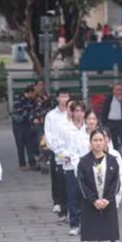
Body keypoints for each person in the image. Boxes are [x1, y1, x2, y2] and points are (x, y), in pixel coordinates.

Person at [77, 128, 120, 242]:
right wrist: (93, 200)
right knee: (92, 237)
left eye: (101, 140)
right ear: (90, 143)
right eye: (95, 140)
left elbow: (116, 182)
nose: (98, 143)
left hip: (108, 204)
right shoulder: (84, 162)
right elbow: (81, 183)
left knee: (107, 236)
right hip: (90, 205)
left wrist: (107, 199)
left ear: (105, 142)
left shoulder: (112, 160)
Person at [56, 101, 88, 237]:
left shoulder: (87, 128)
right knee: (73, 195)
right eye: (77, 111)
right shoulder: (65, 128)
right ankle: (74, 224)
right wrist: (67, 156)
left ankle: (86, 223)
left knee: (86, 196)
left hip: (86, 166)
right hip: (70, 166)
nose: (79, 114)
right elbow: (60, 146)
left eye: (81, 111)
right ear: (72, 113)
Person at [43, 88, 72, 219]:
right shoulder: (51, 115)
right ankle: (58, 202)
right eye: (62, 96)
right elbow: (49, 135)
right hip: (56, 151)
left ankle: (70, 204)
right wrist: (57, 150)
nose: (64, 99)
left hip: (71, 151)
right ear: (57, 98)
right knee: (57, 178)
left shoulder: (72, 113)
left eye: (66, 96)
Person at [12, 84, 39, 170]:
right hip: (18, 125)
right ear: (30, 92)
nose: (36, 94)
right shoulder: (18, 100)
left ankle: (32, 163)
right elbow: (21, 112)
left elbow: (35, 110)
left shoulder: (32, 100)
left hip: (28, 124)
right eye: (34, 93)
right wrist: (31, 116)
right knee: (20, 144)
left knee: (30, 143)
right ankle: (22, 164)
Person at [101, 82, 122, 150]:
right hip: (110, 122)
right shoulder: (109, 99)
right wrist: (105, 123)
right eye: (116, 90)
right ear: (113, 90)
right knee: (112, 140)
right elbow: (104, 111)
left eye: (120, 89)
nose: (118, 92)